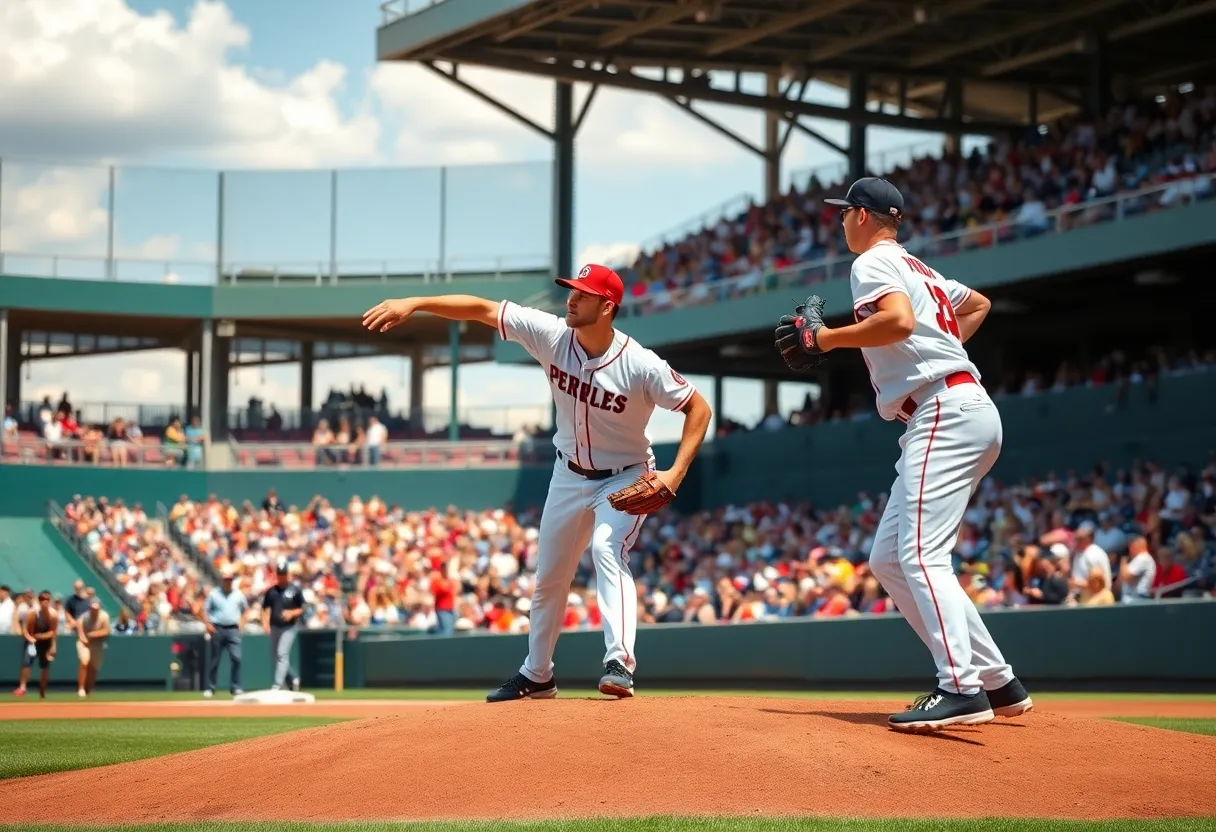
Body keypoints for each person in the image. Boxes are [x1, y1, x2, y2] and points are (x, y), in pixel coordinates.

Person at [363, 263, 712, 701]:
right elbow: (481, 310)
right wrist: (416, 303)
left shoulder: (640, 364)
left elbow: (699, 408)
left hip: (624, 476)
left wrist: (674, 472)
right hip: (567, 474)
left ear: (607, 306)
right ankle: (538, 675)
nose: (571, 298)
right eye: (571, 290)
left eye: (582, 294)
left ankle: (619, 662)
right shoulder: (551, 333)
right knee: (549, 577)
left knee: (607, 548)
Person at [778, 177, 1031, 733]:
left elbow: (896, 322)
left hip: (943, 409)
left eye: (845, 213)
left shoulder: (870, 264)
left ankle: (960, 688)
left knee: (918, 556)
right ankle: (997, 680)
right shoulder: (921, 269)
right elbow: (978, 304)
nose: (841, 221)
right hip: (960, 407)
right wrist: (937, 354)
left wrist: (824, 339)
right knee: (890, 559)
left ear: (864, 216)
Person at [198, 565, 248, 697]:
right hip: (218, 628)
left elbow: (245, 610)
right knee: (215, 659)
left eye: (230, 579)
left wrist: (241, 624)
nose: (228, 581)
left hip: (233, 629)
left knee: (237, 658)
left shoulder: (238, 594)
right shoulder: (214, 594)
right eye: (226, 579)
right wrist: (207, 624)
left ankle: (236, 687)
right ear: (222, 580)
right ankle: (211, 687)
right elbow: (204, 610)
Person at [261, 560, 304, 691]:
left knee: (282, 654)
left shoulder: (294, 590)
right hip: (275, 626)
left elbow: (302, 608)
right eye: (280, 573)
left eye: (284, 573)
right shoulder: (271, 591)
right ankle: (292, 678)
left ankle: (278, 684)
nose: (282, 576)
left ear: (287, 574)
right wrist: (265, 624)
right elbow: (265, 608)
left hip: (289, 627)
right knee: (277, 657)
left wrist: (292, 613)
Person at [15, 591, 58, 699]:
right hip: (32, 641)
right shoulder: (33, 613)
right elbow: (25, 629)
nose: (45, 602)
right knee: (26, 663)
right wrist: (30, 639)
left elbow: (53, 632)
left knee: (45, 667)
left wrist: (52, 646)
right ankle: (22, 687)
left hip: (45, 642)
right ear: (39, 602)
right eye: (42, 600)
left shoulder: (53, 615)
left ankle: (42, 689)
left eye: (47, 600)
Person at [75, 598, 111, 697]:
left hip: (97, 643)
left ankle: (90, 689)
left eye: (96, 608)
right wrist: (83, 638)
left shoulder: (104, 617)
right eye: (92, 608)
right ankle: (81, 688)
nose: (94, 610)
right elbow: (79, 625)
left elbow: (106, 631)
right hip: (84, 643)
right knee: (84, 662)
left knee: (94, 667)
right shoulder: (85, 616)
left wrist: (92, 634)